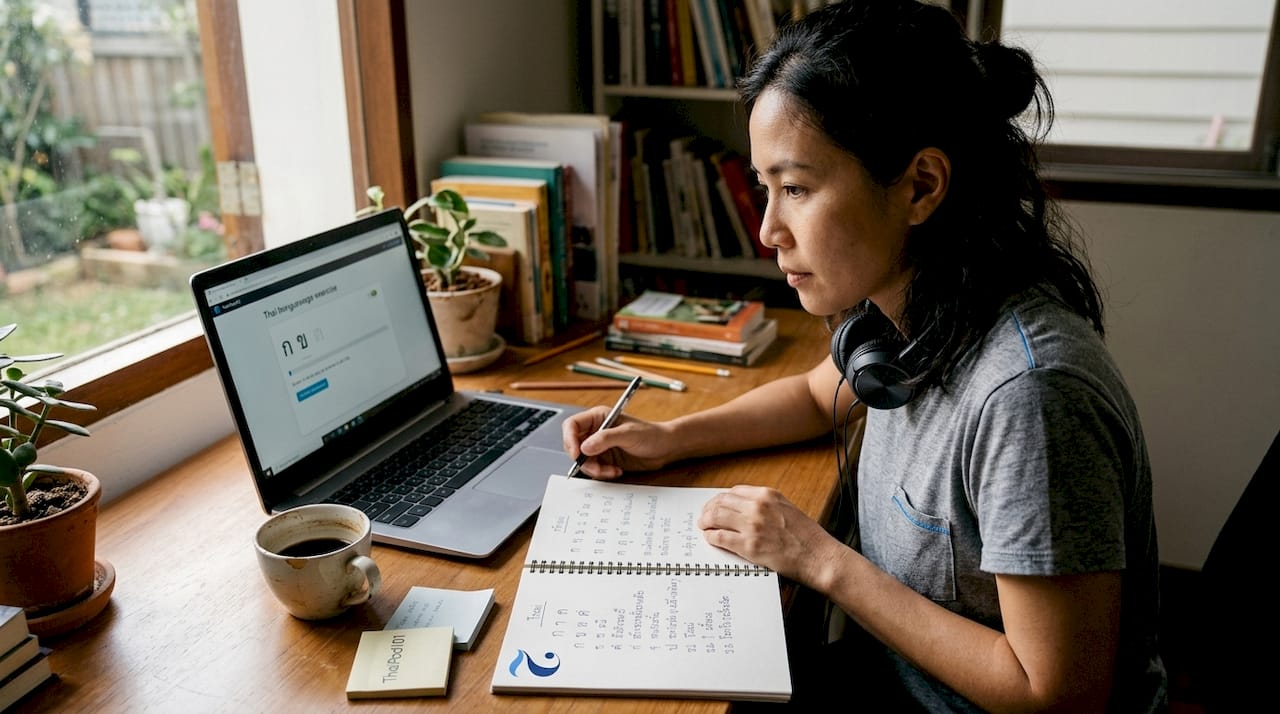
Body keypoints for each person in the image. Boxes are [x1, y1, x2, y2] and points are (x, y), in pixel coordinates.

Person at [564, 1, 1167, 711]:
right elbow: (821, 395)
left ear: (920, 186)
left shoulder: (1029, 395)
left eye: (795, 189)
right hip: (901, 681)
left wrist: (819, 558)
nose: (767, 230)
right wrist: (669, 437)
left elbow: (1057, 695)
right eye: (765, 189)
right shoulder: (910, 317)